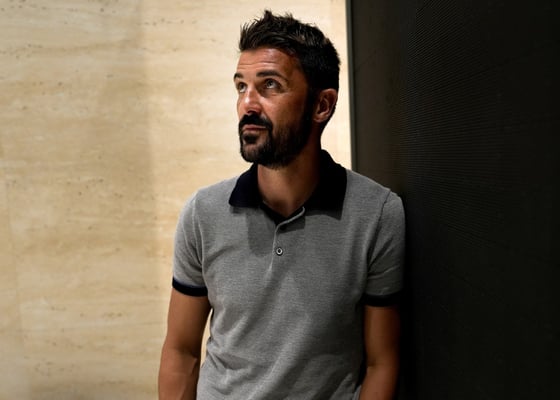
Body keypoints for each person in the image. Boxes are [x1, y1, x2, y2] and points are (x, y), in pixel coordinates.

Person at [158, 10, 405, 400]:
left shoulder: (377, 214)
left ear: (322, 105)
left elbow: (381, 362)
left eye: (269, 85)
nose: (247, 104)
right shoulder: (202, 213)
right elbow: (181, 351)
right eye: (241, 86)